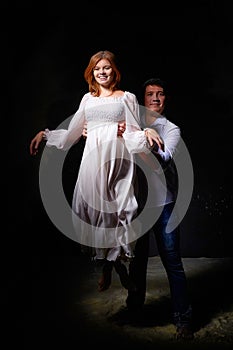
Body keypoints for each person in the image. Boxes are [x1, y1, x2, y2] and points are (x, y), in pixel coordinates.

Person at [29, 51, 164, 293]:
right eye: (97, 68)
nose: (102, 72)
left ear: (115, 71)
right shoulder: (87, 100)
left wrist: (146, 133)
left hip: (119, 161)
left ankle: (120, 266)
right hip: (93, 161)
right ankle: (111, 269)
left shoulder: (127, 98)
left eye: (107, 68)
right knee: (95, 214)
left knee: (122, 212)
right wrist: (46, 134)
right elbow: (73, 132)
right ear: (91, 72)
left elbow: (133, 130)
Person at [124, 78, 194, 340]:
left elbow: (163, 160)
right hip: (137, 205)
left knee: (173, 262)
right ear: (143, 99)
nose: (155, 98)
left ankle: (183, 319)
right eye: (150, 94)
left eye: (160, 94)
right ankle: (134, 310)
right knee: (136, 263)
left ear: (166, 99)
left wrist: (142, 138)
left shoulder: (171, 129)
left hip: (164, 205)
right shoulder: (133, 123)